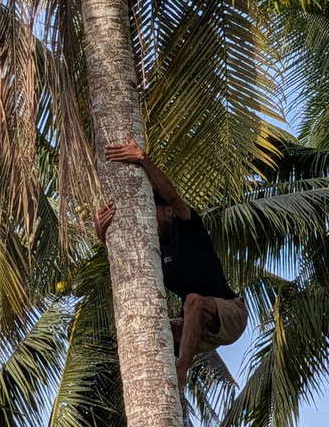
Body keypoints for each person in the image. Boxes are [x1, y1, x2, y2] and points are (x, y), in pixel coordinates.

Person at [94, 136, 248, 390]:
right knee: (145, 327)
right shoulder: (153, 253)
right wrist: (103, 233)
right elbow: (124, 262)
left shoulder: (187, 226)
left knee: (194, 300)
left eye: (150, 209)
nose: (146, 218)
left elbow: (172, 195)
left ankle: (181, 372)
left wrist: (142, 158)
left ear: (167, 212)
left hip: (230, 314)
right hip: (195, 326)